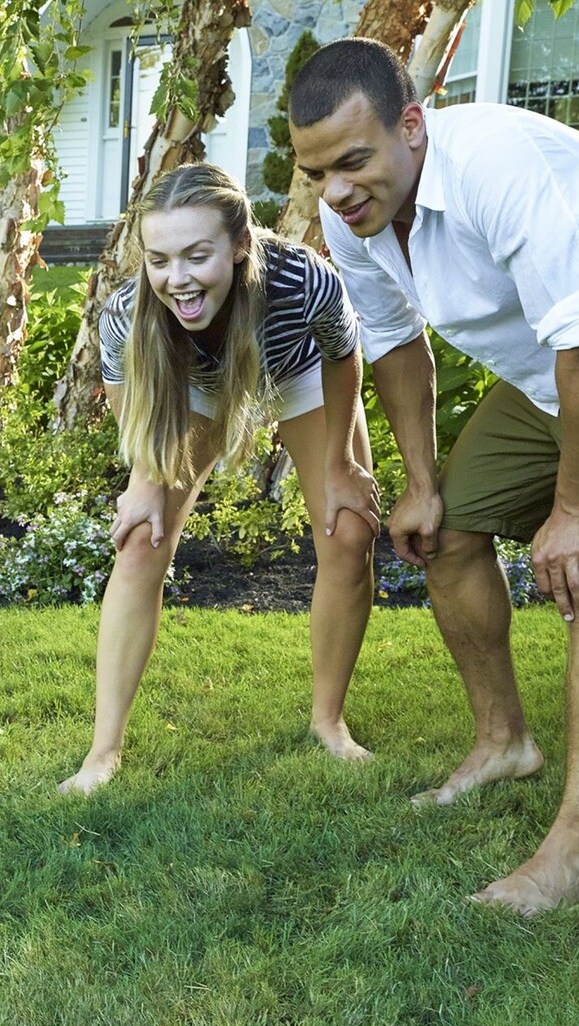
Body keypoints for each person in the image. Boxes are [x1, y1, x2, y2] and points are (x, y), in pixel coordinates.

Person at [288, 38, 579, 913]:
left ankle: (576, 852)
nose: (337, 190)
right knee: (447, 532)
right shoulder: (350, 215)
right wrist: (421, 481)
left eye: (354, 161)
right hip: (558, 370)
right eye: (317, 172)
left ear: (413, 126)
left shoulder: (499, 168)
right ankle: (504, 741)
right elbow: (394, 342)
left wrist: (576, 509)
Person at [59, 162, 382, 794]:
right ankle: (102, 753)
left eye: (195, 255)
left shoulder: (302, 281)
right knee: (141, 540)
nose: (176, 279)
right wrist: (145, 479)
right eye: (159, 259)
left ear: (239, 247)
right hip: (198, 387)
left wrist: (342, 464)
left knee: (347, 531)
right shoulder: (130, 312)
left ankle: (329, 723)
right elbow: (128, 400)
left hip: (299, 368)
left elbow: (345, 357)